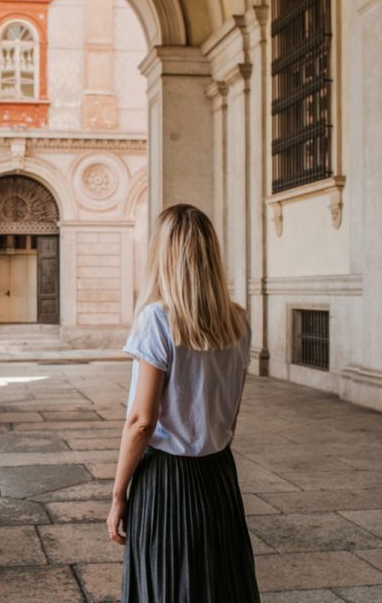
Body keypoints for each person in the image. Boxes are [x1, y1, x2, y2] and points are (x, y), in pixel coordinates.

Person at [107, 203, 260, 602]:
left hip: (168, 479)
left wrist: (118, 493)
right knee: (219, 583)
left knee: (168, 582)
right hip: (218, 473)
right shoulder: (238, 321)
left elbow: (142, 420)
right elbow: (233, 411)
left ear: (163, 254)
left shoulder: (157, 320)